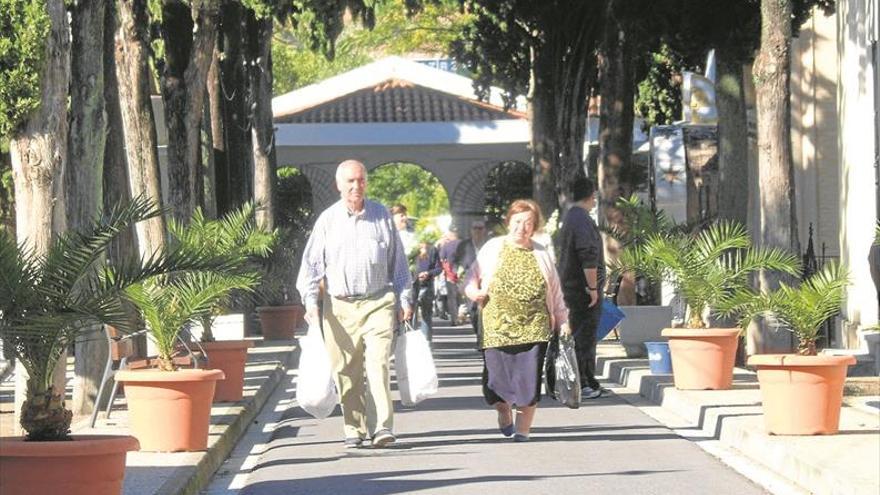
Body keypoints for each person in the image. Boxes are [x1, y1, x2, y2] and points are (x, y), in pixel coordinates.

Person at [297, 159, 413, 449]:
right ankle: (354, 428)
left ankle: (382, 427)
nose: (356, 186)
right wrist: (311, 302)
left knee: (377, 365)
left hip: (378, 302)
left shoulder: (382, 216)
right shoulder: (327, 220)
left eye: (360, 180)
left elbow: (398, 265)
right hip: (339, 307)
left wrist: (404, 298)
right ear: (339, 185)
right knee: (346, 370)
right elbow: (310, 267)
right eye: (350, 181)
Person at [465, 199, 569, 442]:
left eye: (528, 223)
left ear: (535, 227)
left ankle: (523, 429)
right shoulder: (492, 247)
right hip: (496, 326)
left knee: (528, 379)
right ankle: (503, 410)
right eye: (518, 221)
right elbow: (471, 279)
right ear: (508, 222)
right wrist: (474, 292)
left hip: (534, 325)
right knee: (495, 380)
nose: (522, 227)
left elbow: (555, 290)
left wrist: (563, 320)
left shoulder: (541, 253)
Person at [556, 177, 606, 400]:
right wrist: (593, 287)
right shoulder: (582, 220)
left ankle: (588, 379)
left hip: (571, 286)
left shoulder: (570, 218)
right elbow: (588, 254)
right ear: (590, 195)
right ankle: (582, 382)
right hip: (581, 289)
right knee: (583, 337)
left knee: (582, 336)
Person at [455, 219, 489, 340]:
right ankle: (479, 335)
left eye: (480, 228)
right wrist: (458, 274)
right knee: (473, 310)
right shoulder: (464, 245)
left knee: (485, 310)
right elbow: (456, 261)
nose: (478, 231)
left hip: (486, 281)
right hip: (470, 282)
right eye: (475, 228)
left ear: (485, 230)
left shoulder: (489, 245)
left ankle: (485, 337)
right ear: (471, 231)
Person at [413, 238, 442, 344]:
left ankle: (426, 343)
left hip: (427, 286)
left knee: (426, 316)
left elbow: (439, 268)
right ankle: (412, 343)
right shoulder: (411, 249)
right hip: (413, 285)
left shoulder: (432, 250)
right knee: (411, 316)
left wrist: (428, 273)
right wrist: (415, 275)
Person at [438, 230, 461, 325]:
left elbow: (441, 258)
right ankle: (462, 314)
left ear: (451, 236)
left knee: (452, 297)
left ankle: (454, 319)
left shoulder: (446, 246)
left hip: (450, 274)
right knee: (463, 296)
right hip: (464, 274)